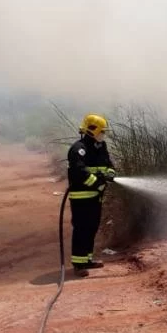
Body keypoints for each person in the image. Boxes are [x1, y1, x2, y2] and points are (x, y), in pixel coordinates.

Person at [67, 114, 116, 277]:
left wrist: (110, 173)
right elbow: (78, 172)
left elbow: (109, 164)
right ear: (92, 130)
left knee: (92, 227)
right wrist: (97, 183)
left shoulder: (100, 146)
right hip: (81, 197)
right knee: (82, 228)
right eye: (102, 131)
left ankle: (87, 259)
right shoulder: (78, 149)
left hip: (96, 197)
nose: (103, 134)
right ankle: (78, 265)